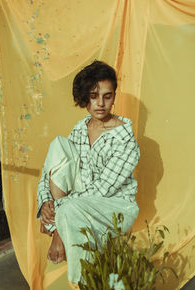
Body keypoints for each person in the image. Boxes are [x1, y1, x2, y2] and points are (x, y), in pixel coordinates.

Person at [37, 60, 140, 284]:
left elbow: (101, 191)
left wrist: (57, 230)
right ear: (85, 96)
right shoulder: (79, 129)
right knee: (58, 145)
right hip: (77, 202)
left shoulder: (125, 139)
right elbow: (51, 171)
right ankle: (63, 218)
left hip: (114, 206)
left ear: (114, 95)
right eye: (93, 96)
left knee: (72, 209)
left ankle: (83, 283)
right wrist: (45, 202)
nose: (100, 103)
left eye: (107, 95)